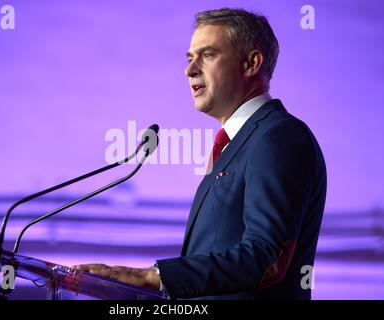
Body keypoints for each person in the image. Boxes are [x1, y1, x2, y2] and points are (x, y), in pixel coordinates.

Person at [73, 7, 327, 300]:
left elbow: (266, 258)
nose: (190, 69)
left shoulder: (279, 136)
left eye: (207, 55)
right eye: (190, 58)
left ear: (251, 63)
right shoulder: (238, 142)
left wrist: (150, 277)